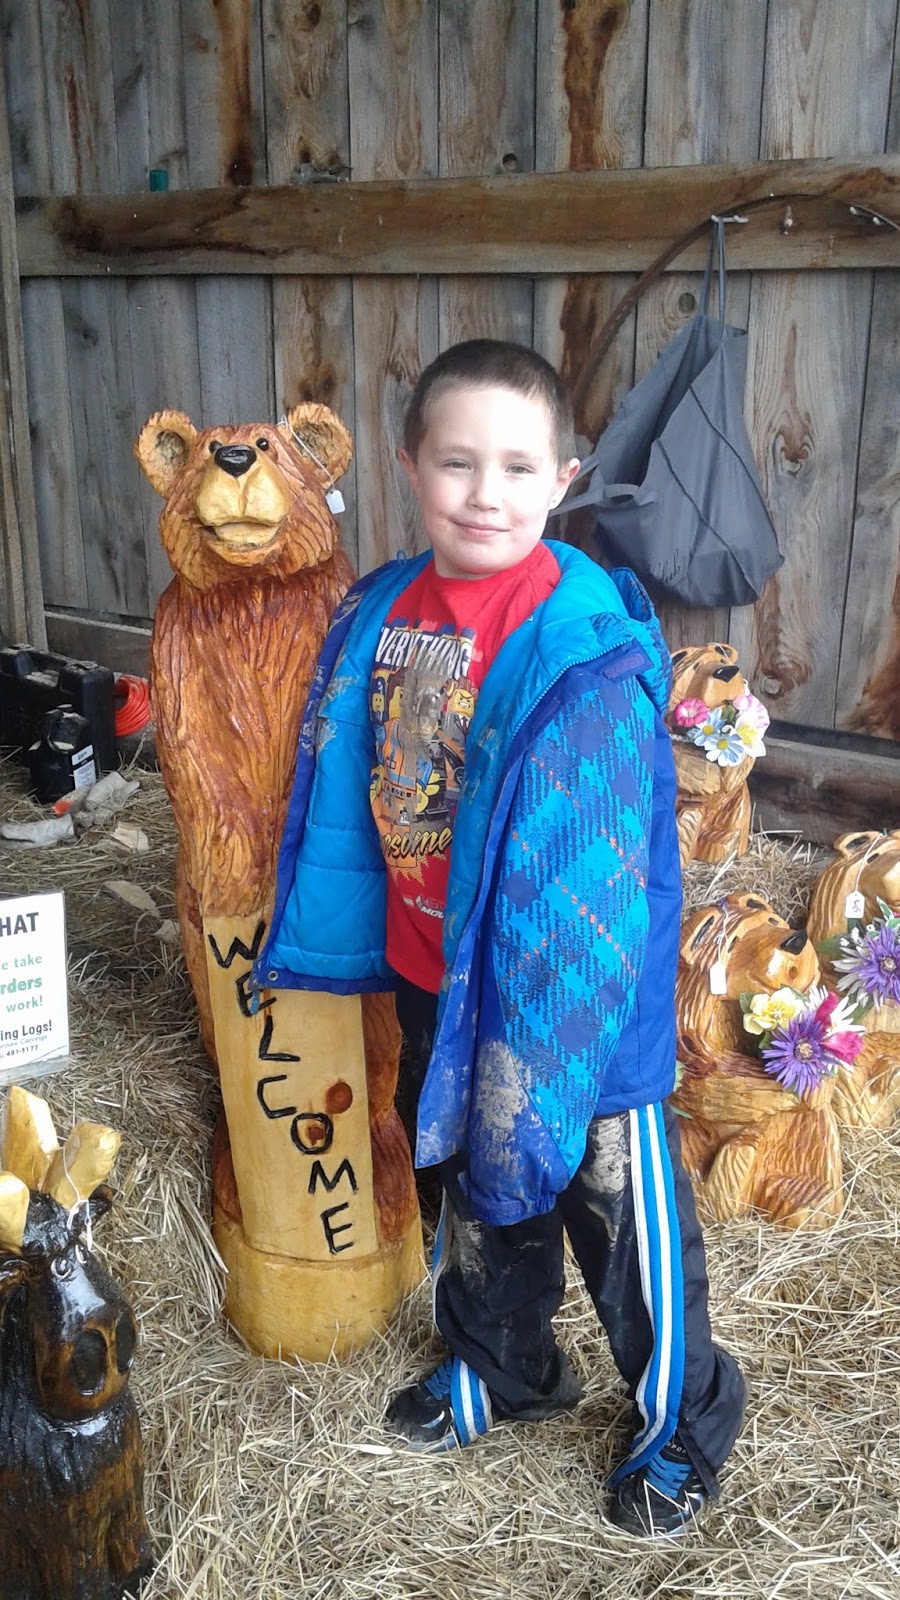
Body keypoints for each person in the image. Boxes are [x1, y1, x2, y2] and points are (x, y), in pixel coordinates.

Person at [255, 340, 745, 1538]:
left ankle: (682, 1421)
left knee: (616, 1211)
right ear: (409, 464)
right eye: (457, 461)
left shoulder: (583, 647)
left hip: (579, 996)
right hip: (443, 971)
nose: (485, 492)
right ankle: (507, 1364)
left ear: (563, 478)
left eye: (518, 467)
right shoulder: (384, 614)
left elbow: (598, 869)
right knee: (477, 1181)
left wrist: (567, 1026)